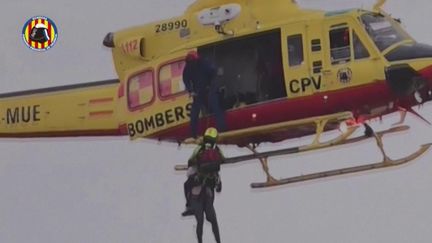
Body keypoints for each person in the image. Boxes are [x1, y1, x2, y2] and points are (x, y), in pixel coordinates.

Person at [181, 127, 223, 243]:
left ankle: (189, 206)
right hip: (209, 185)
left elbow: (191, 161)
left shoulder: (199, 148)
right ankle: (218, 241)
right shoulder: (217, 150)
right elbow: (222, 160)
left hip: (198, 188)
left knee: (199, 221)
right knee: (213, 220)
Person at [183, 51, 226, 138]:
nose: (191, 63)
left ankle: (221, 130)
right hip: (198, 92)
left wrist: (212, 86)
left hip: (209, 89)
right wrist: (191, 91)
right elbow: (186, 80)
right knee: (194, 113)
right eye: (190, 61)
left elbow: (214, 73)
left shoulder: (204, 63)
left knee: (215, 106)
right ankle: (193, 134)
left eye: (192, 61)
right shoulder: (188, 68)